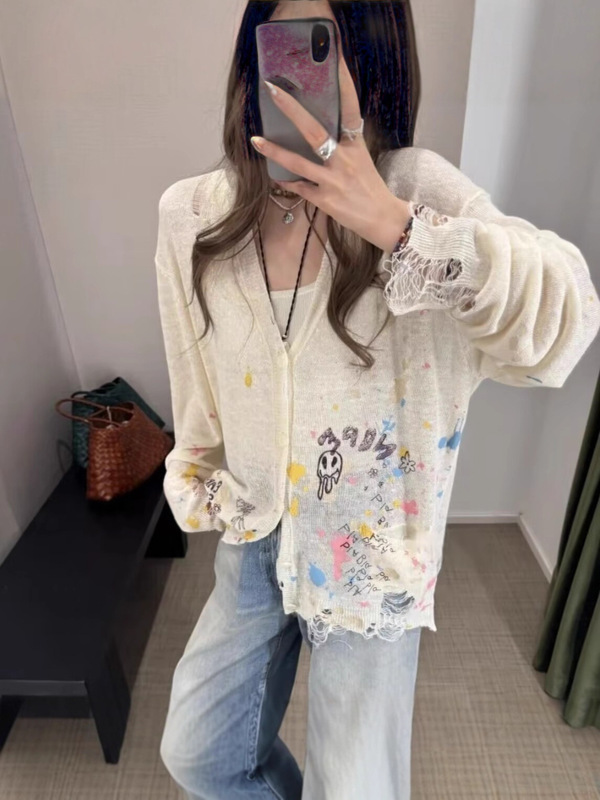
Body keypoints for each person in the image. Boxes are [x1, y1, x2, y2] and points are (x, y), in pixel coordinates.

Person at [154, 2, 600, 798]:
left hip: (370, 555)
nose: (304, 76)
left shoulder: (415, 189)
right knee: (197, 751)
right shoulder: (194, 214)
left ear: (375, 60)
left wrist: (398, 228)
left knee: (354, 786)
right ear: (253, 56)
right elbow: (195, 380)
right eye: (284, 45)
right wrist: (203, 475)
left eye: (329, 47)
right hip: (256, 528)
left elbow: (567, 318)